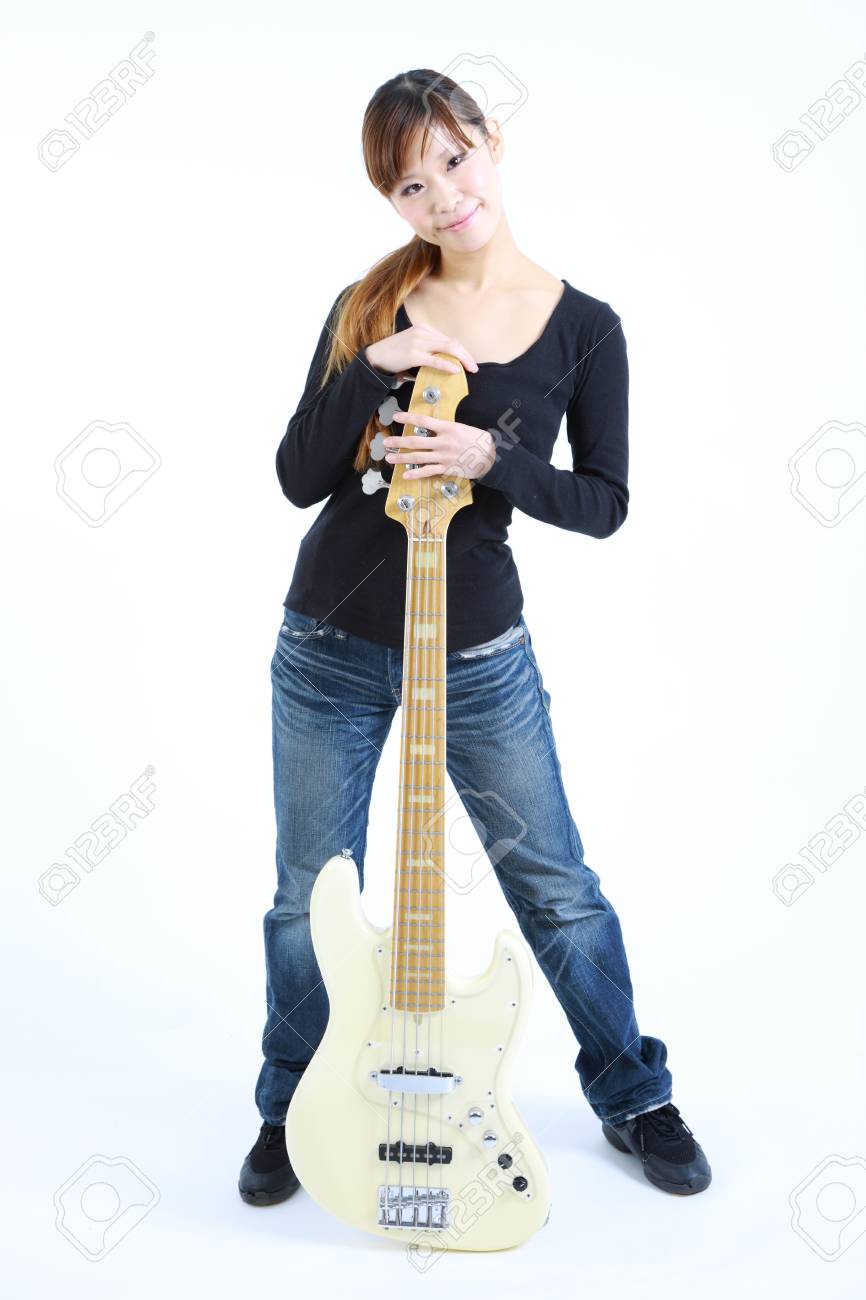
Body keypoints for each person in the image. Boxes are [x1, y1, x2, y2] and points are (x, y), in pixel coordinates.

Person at [239, 67, 711, 1208]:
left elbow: (605, 502)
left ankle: (632, 1092)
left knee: (552, 880)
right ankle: (289, 1105)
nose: (442, 195)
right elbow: (299, 476)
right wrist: (370, 371)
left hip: (476, 650)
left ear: (489, 142)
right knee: (309, 888)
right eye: (411, 184)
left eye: (453, 159)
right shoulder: (370, 302)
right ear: (392, 203)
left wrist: (491, 461)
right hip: (329, 641)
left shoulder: (586, 330)